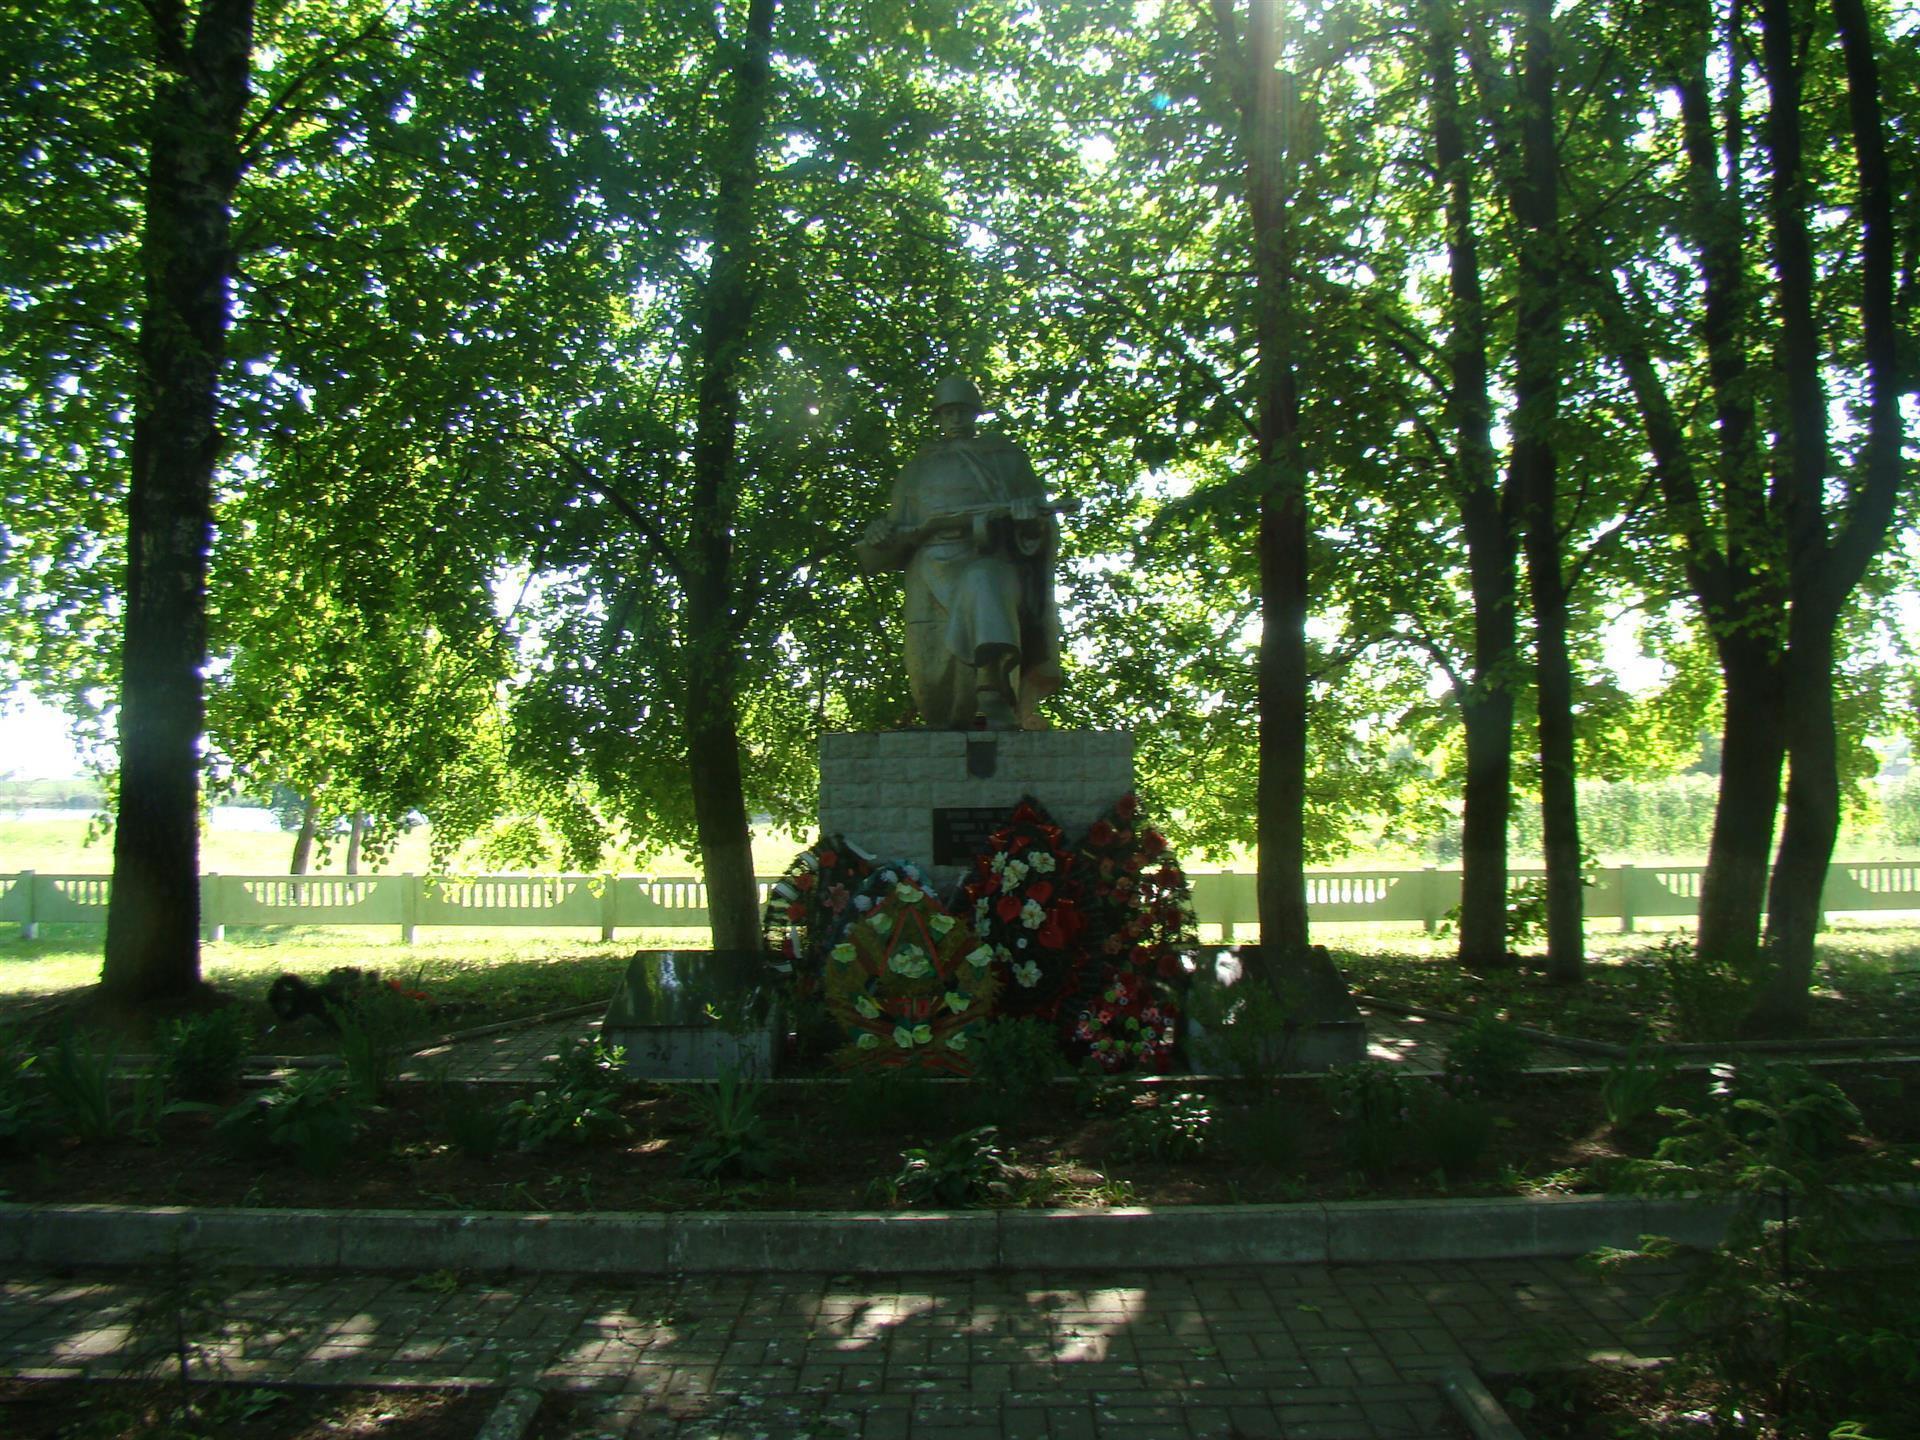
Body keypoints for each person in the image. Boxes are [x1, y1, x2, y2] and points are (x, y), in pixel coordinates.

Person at [857, 376, 1064, 730]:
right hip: (930, 565)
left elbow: (1039, 525)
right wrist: (878, 532)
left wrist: (1029, 521)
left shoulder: (1006, 459)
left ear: (976, 414)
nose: (955, 419)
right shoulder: (918, 468)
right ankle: (953, 709)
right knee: (930, 677)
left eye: (962, 411)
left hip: (992, 558)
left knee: (983, 581)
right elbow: (895, 529)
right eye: (948, 412)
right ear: (938, 417)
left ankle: (992, 686)